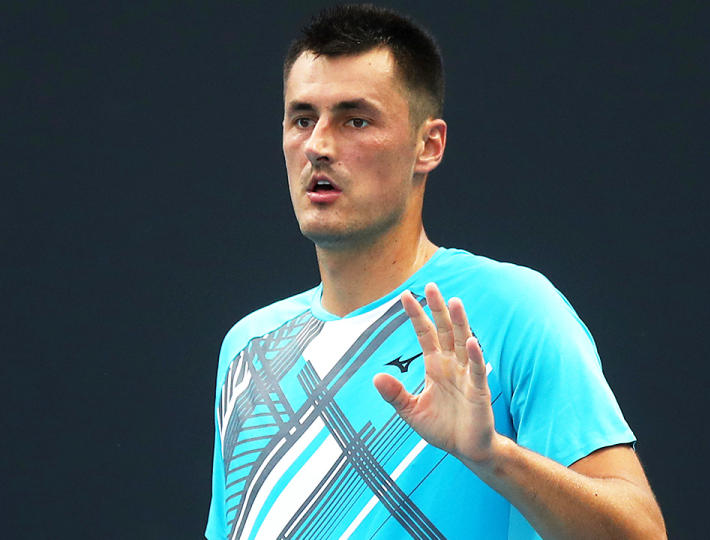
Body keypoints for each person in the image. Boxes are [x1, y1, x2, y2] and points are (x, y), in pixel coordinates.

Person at [206, 5, 666, 539]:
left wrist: (494, 458)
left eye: (356, 119)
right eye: (303, 119)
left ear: (428, 145)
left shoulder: (514, 309)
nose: (319, 146)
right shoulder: (248, 349)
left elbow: (642, 534)